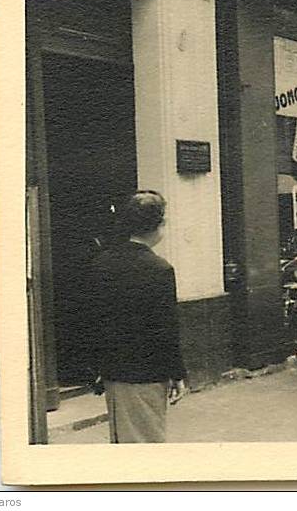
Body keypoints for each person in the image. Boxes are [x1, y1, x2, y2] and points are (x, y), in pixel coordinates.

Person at [91, 190, 187, 443]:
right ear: (156, 225)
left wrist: (98, 366)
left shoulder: (102, 264)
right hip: (147, 374)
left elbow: (95, 321)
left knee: (122, 441)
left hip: (114, 371)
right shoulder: (160, 270)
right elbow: (166, 328)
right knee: (146, 444)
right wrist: (177, 374)